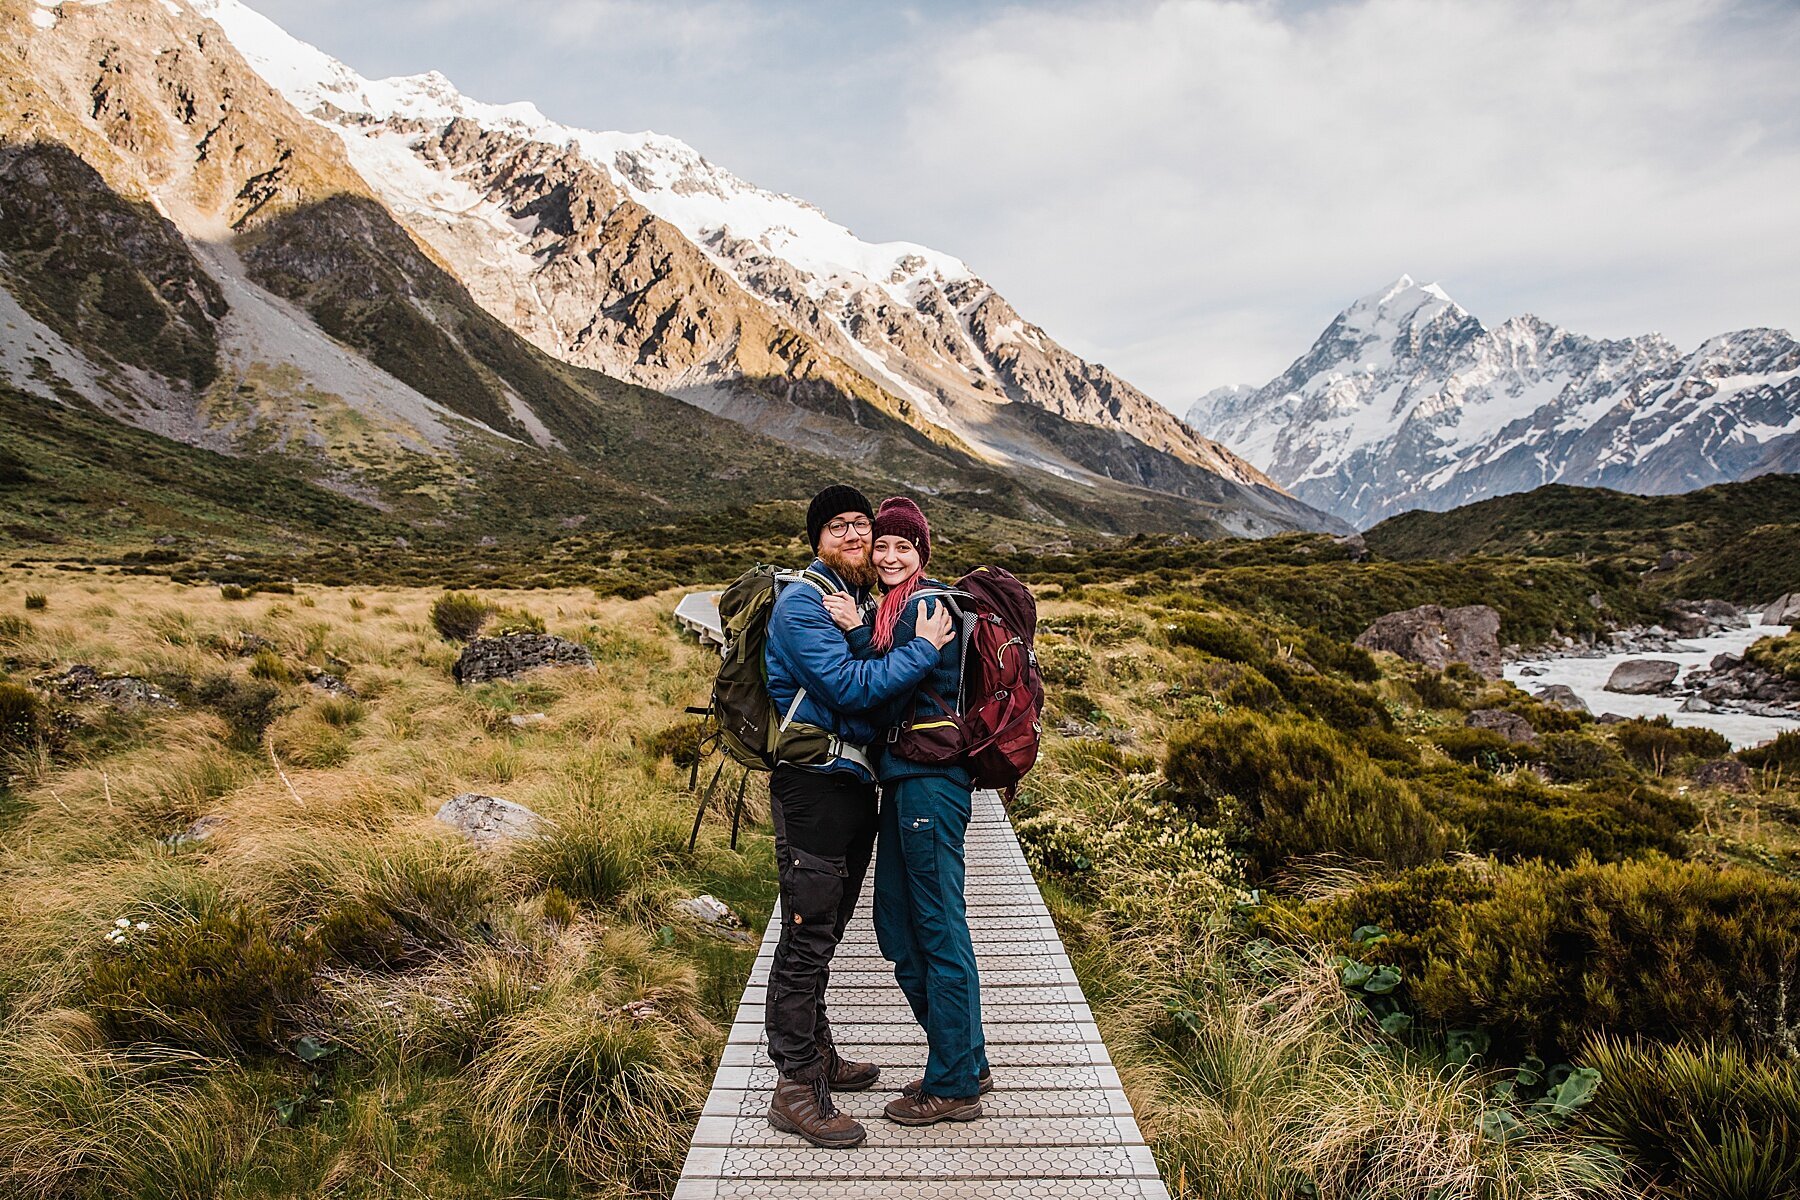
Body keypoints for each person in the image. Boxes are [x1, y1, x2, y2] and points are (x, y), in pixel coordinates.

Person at [761, 485, 956, 1149]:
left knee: (827, 933)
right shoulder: (801, 605)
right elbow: (850, 689)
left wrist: (869, 648)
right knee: (806, 937)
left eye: (860, 526)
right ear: (816, 538)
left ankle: (818, 1056)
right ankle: (794, 1087)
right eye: (838, 526)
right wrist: (922, 651)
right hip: (812, 788)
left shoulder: (854, 606)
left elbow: (874, 706)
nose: (853, 535)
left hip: (850, 786)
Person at [861, 496, 992, 1125]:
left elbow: (888, 697)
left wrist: (855, 638)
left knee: (936, 928)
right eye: (880, 544)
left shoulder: (924, 607)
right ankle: (965, 1057)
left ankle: (953, 1085)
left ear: (922, 554)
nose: (887, 556)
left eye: (901, 547)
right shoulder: (898, 607)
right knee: (897, 925)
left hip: (929, 782)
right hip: (909, 780)